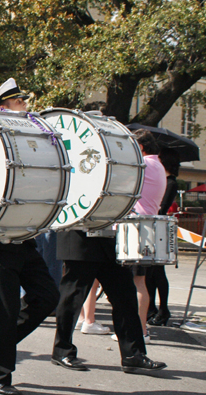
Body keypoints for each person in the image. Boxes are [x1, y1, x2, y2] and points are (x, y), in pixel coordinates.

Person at [51, 130, 167, 374]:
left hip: (108, 235)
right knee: (73, 297)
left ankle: (133, 354)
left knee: (124, 296)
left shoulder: (131, 164)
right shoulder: (88, 160)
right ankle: (62, 350)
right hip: (80, 233)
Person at [0, 79, 59, 395]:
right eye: (19, 101)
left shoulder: (32, 144)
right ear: (3, 109)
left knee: (47, 296)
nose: (26, 104)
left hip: (24, 237)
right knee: (6, 311)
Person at [128, 129, 166, 340]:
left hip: (137, 226)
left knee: (137, 281)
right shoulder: (157, 164)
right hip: (147, 226)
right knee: (139, 280)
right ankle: (139, 329)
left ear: (140, 147)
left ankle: (139, 331)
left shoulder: (144, 165)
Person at [147, 148, 181, 327]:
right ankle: (151, 307)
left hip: (160, 228)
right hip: (155, 226)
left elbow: (163, 206)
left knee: (158, 272)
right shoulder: (164, 180)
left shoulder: (171, 182)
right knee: (151, 273)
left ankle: (163, 309)